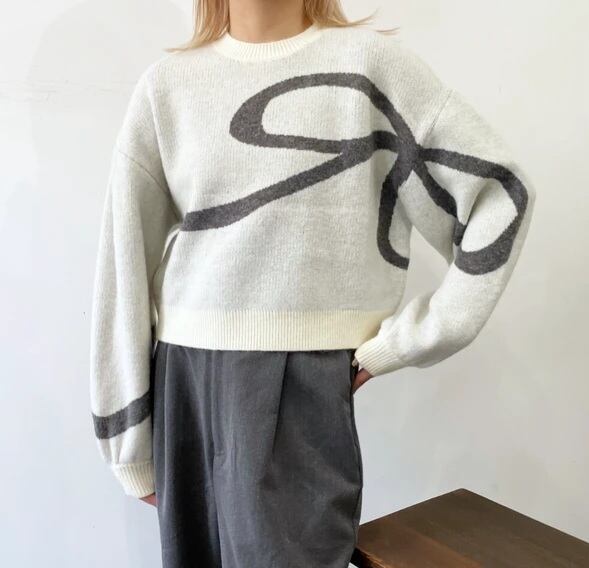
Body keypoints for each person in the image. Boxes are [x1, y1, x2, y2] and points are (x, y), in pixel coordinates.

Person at [89, 0, 536, 566]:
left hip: (300, 384)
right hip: (186, 384)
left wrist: (413, 338)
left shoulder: (370, 67)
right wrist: (128, 435)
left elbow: (500, 196)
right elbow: (123, 264)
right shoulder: (168, 86)